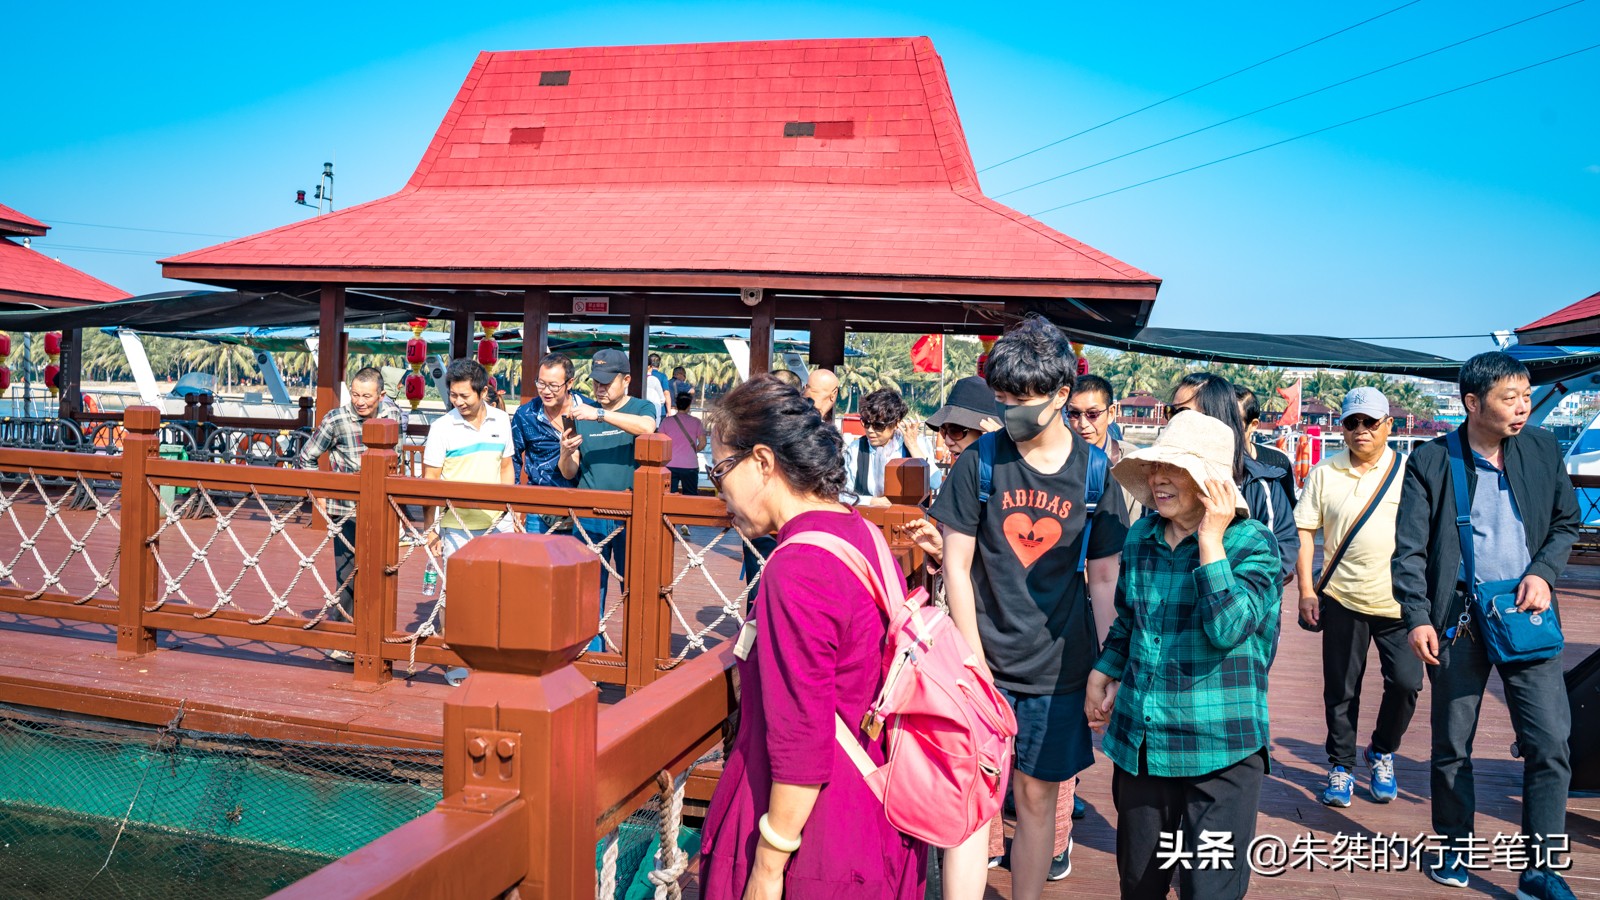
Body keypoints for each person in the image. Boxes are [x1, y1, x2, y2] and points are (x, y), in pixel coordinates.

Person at [699, 374, 926, 899]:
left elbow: (802, 731)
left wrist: (769, 862)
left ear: (762, 461)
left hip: (821, 834)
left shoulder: (797, 567)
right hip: (873, 797)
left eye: (719, 472)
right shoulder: (857, 530)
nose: (719, 495)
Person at [931, 317, 1127, 899]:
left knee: (1037, 797)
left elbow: (1104, 579)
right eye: (1004, 398)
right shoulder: (981, 463)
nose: (1010, 410)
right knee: (970, 798)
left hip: (1059, 669)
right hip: (980, 662)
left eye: (1024, 400)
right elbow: (957, 569)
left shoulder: (1095, 476)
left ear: (1062, 395)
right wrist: (972, 660)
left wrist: (1106, 666)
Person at [1392, 351, 1580, 897]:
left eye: (1525, 396)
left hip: (1529, 615)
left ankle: (1541, 870)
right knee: (1453, 743)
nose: (1522, 408)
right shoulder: (1431, 460)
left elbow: (1566, 521)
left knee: (1550, 742)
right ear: (1472, 403)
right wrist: (1418, 618)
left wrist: (1544, 572)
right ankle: (1454, 846)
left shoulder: (1543, 448)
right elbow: (1408, 553)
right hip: (1457, 620)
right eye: (1509, 398)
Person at [1087, 411, 1280, 900]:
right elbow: (1130, 617)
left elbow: (1229, 627)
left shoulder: (1251, 543)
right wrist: (1105, 668)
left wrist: (1210, 541)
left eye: (1174, 469)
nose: (1157, 479)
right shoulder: (1142, 535)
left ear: (1211, 483)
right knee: (1140, 884)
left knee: (1209, 890)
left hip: (1221, 747)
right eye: (1154, 468)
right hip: (1144, 743)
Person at [1294, 387, 1419, 809]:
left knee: (1406, 683)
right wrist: (1306, 591)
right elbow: (1305, 534)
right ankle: (1341, 766)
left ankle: (1382, 750)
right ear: (1342, 428)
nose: (1361, 430)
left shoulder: (1411, 471)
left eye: (1370, 422)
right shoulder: (1324, 473)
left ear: (1389, 425)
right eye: (1352, 422)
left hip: (1401, 602)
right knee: (1341, 689)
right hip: (1343, 597)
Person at [294, 366, 408, 662]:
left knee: (382, 570)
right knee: (348, 575)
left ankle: (377, 634)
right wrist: (317, 494)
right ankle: (344, 639)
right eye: (356, 394)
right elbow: (306, 457)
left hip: (382, 507)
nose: (360, 401)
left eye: (367, 396)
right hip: (345, 509)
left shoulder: (393, 415)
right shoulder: (335, 419)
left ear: (381, 395)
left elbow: (398, 457)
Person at [421, 359, 515, 686]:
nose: (458, 402)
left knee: (500, 592)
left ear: (483, 391)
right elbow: (430, 481)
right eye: (453, 396)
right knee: (454, 594)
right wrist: (431, 528)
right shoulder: (442, 428)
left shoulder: (502, 420)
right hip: (457, 523)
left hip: (497, 522)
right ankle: (454, 660)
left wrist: (511, 511)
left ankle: (494, 656)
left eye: (465, 396)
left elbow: (506, 467)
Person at [558, 348, 658, 650]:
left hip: (632, 513)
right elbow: (568, 472)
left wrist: (600, 414)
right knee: (588, 589)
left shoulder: (642, 407)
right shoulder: (580, 415)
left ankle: (635, 654)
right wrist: (565, 450)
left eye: (606, 382)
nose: (599, 389)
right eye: (596, 383)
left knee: (635, 586)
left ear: (626, 379)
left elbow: (648, 428)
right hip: (590, 513)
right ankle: (591, 661)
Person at [1169, 372, 1297, 584]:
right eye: (1171, 412)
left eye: (1184, 413)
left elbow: (1280, 548)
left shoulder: (1260, 481)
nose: (1175, 422)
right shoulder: (1159, 478)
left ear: (1217, 417)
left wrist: (1224, 580)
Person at [509, 352, 584, 532]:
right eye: (541, 383)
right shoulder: (525, 414)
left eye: (553, 385)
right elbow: (513, 458)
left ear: (570, 383)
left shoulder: (587, 411)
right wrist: (515, 503)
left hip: (581, 505)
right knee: (536, 559)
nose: (546, 391)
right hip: (539, 507)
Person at [841, 387, 934, 507]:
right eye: (866, 423)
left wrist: (913, 446)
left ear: (895, 423)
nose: (870, 430)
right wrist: (873, 502)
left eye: (878, 426)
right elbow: (841, 494)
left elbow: (934, 482)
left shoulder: (916, 443)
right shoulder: (856, 448)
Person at [1068, 374, 1143, 522]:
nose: (1082, 424)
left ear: (1111, 413)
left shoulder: (1133, 460)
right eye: (1074, 414)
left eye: (1092, 414)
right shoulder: (1054, 457)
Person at [1235, 385, 1298, 507]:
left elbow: (1288, 509)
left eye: (1234, 421)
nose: (1226, 426)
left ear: (1253, 425)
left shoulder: (1278, 463)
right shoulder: (1206, 463)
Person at [664, 391, 706, 495]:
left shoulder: (666, 421)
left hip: (669, 465)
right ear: (689, 406)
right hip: (690, 465)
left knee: (668, 497)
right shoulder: (696, 422)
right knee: (691, 497)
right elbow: (703, 443)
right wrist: (693, 451)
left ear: (677, 405)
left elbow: (661, 442)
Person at [646, 352, 671, 420]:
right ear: (659, 364)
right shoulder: (662, 376)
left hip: (644, 409)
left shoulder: (641, 375)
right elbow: (666, 393)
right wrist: (669, 411)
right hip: (660, 410)